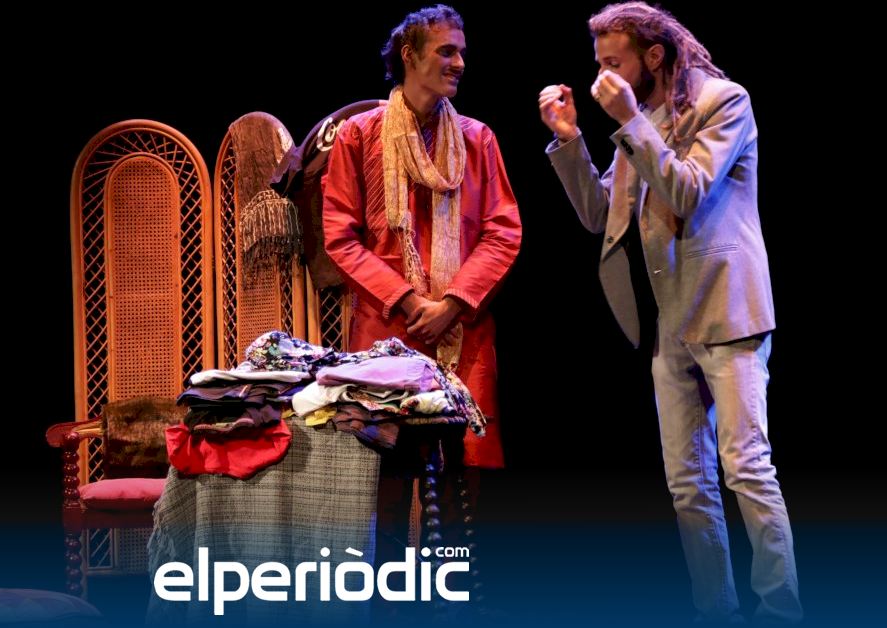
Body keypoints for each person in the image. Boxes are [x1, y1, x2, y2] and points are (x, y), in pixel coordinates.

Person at [538, 3, 801, 623]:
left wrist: (629, 119)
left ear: (653, 56)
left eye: (614, 62)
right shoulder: (646, 119)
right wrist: (571, 139)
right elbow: (601, 215)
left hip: (727, 311)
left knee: (746, 467)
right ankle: (716, 611)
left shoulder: (723, 102)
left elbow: (686, 190)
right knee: (687, 484)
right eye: (598, 63)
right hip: (668, 321)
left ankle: (781, 611)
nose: (603, 77)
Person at [321, 3, 522, 575]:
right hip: (388, 328)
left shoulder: (477, 139)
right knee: (383, 471)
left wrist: (452, 304)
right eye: (446, 51)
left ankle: (454, 589)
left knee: (463, 473)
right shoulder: (360, 136)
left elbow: (503, 230)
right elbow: (340, 235)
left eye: (462, 52)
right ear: (409, 55)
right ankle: (389, 595)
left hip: (463, 328)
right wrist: (411, 302)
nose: (460, 62)